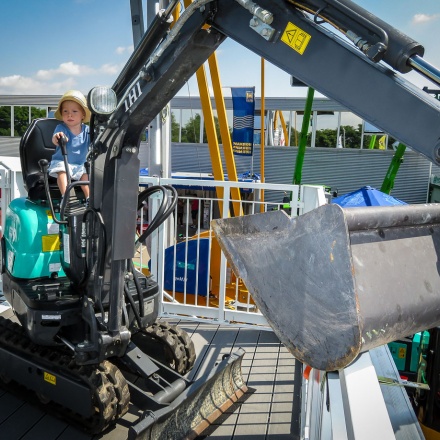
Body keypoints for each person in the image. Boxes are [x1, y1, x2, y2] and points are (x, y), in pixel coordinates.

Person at [48, 90, 91, 200]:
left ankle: (89, 198)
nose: (69, 114)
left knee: (85, 177)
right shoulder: (61, 128)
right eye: (65, 111)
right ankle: (66, 196)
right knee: (62, 172)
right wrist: (58, 137)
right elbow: (54, 139)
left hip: (80, 164)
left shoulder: (88, 130)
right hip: (63, 161)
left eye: (74, 111)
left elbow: (95, 141)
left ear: (83, 115)